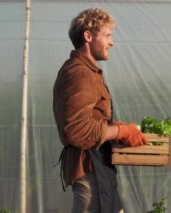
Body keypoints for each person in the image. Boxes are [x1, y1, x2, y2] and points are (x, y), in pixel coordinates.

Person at [53, 8, 148, 213]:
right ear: (88, 36)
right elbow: (77, 130)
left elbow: (89, 119)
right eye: (107, 35)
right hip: (90, 173)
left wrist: (111, 128)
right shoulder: (80, 73)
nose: (111, 42)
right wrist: (121, 132)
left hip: (99, 172)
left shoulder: (85, 70)